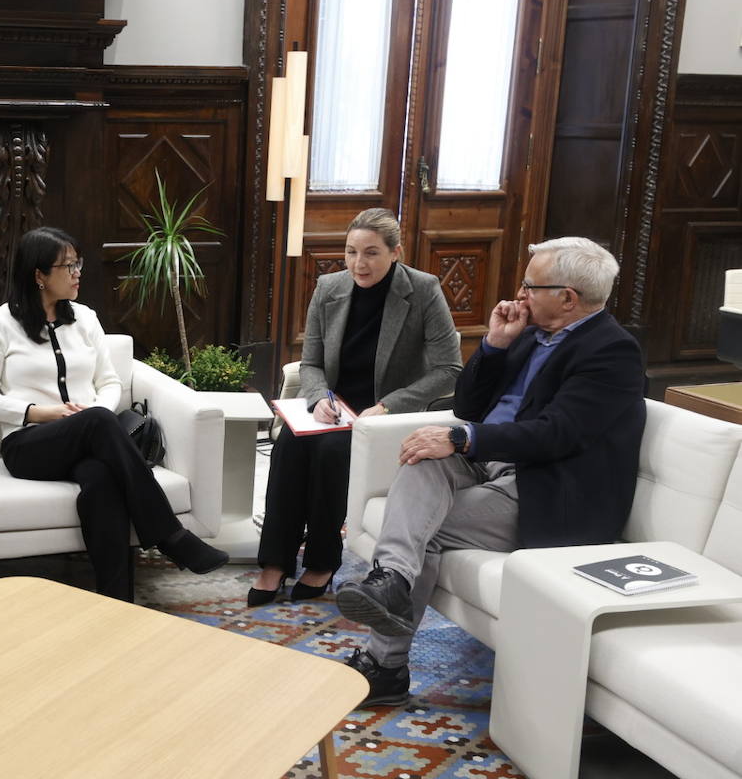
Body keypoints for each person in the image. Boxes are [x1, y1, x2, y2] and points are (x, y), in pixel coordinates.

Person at [335, 237, 646, 707]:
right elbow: (468, 405)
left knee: (427, 526)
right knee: (422, 458)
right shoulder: (527, 332)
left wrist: (464, 438)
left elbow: (555, 434)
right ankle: (392, 580)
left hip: (542, 485)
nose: (519, 294)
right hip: (488, 463)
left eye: (530, 285)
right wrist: (495, 347)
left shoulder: (612, 352)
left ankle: (386, 666)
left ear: (568, 297)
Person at [0, 226, 228, 599]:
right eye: (67, 266)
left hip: (89, 438)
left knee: (102, 479)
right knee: (96, 424)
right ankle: (171, 535)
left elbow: (110, 383)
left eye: (78, 264)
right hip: (29, 445)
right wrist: (41, 413)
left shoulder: (85, 319)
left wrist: (95, 412)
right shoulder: (2, 323)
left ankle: (116, 600)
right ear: (39, 275)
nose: (78, 273)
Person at [250, 208, 461, 606]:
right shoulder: (329, 288)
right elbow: (310, 362)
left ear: (395, 252)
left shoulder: (423, 291)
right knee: (289, 448)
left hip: (384, 417)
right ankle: (275, 562)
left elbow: (449, 368)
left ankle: (322, 562)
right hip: (332, 409)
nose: (358, 264)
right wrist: (318, 398)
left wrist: (389, 405)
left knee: (331, 453)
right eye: (350, 252)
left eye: (371, 253)